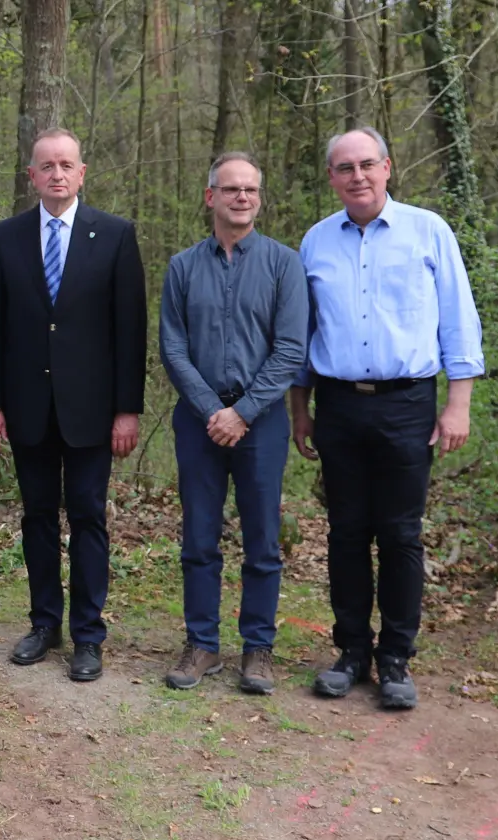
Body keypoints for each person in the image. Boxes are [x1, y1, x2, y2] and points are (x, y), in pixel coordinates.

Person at [288, 127, 484, 710]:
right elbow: (303, 336)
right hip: (339, 403)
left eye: (367, 165)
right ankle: (350, 651)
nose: (358, 176)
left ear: (388, 167)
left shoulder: (429, 232)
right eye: (345, 168)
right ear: (332, 178)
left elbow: (458, 319)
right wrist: (301, 411)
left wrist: (459, 402)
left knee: (400, 533)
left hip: (407, 403)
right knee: (347, 532)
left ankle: (395, 657)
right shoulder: (316, 242)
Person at [0, 127, 147, 682]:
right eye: (45, 166)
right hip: (27, 405)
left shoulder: (115, 235)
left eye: (65, 165)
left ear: (81, 172)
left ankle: (88, 636)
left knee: (89, 518)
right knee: (37, 518)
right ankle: (44, 622)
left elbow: (131, 331)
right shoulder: (7, 237)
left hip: (92, 411)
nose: (56, 174)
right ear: (32, 176)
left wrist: (128, 409)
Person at [158, 152, 308, 694]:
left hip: (262, 422)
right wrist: (211, 411)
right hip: (199, 421)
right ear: (210, 197)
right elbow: (173, 348)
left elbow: (291, 349)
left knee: (262, 538)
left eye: (250, 190)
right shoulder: (182, 267)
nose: (241, 197)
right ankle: (201, 644)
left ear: (259, 199)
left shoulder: (283, 265)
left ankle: (258, 649)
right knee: (198, 536)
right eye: (230, 189)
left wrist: (242, 412)